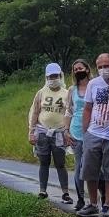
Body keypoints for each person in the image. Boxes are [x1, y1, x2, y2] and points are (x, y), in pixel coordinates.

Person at [77, 54, 109, 217]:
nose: (104, 69)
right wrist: (85, 132)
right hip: (94, 132)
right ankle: (92, 203)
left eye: (107, 65)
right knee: (90, 170)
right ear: (96, 67)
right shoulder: (93, 83)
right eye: (100, 66)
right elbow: (88, 108)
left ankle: (107, 206)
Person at [28, 62, 72, 203]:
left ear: (60, 75)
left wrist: (67, 131)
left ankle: (65, 192)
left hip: (59, 133)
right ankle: (42, 190)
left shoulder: (67, 94)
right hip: (42, 132)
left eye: (55, 76)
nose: (53, 79)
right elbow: (35, 112)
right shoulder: (41, 93)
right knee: (44, 162)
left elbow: (70, 113)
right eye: (50, 76)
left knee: (60, 163)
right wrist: (31, 131)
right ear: (47, 78)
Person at [64, 59, 91, 210]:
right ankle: (81, 198)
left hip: (92, 130)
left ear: (87, 69)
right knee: (79, 165)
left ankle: (98, 198)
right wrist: (66, 131)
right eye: (75, 69)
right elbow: (69, 111)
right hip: (76, 130)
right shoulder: (72, 90)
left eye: (80, 68)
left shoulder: (94, 86)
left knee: (93, 166)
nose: (78, 71)